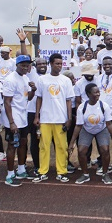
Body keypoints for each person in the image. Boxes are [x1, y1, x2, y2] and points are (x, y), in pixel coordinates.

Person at [33, 53, 74, 183]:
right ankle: (42, 172)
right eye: (57, 64)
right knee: (44, 147)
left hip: (60, 119)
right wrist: (36, 116)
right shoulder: (42, 80)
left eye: (61, 64)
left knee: (62, 147)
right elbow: (39, 98)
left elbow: (68, 101)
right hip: (45, 119)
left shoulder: (66, 80)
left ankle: (61, 172)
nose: (59, 66)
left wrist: (69, 118)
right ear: (50, 64)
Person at [69, 83, 112, 185]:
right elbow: (78, 126)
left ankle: (105, 173)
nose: (98, 94)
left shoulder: (104, 106)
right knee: (81, 151)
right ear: (88, 94)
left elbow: (109, 124)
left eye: (98, 92)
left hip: (101, 129)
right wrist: (71, 143)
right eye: (95, 92)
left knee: (105, 150)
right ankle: (85, 174)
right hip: (87, 129)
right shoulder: (82, 107)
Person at [1, 55, 36, 186]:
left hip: (23, 116)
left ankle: (21, 169)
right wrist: (11, 122)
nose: (25, 67)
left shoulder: (26, 78)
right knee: (12, 145)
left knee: (22, 143)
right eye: (23, 65)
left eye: (27, 65)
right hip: (13, 117)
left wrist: (33, 89)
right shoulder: (10, 79)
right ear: (17, 65)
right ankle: (10, 175)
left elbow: (29, 98)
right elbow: (7, 102)